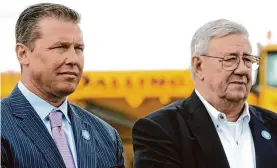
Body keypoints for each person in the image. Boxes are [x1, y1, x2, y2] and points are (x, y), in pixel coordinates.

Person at [132, 19, 277, 168]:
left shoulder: (273, 126)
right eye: (230, 59)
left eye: (247, 59)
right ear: (199, 66)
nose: (242, 69)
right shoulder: (161, 129)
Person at [1, 3, 125, 168]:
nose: (73, 59)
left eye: (79, 48)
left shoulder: (106, 135)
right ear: (23, 54)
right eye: (61, 47)